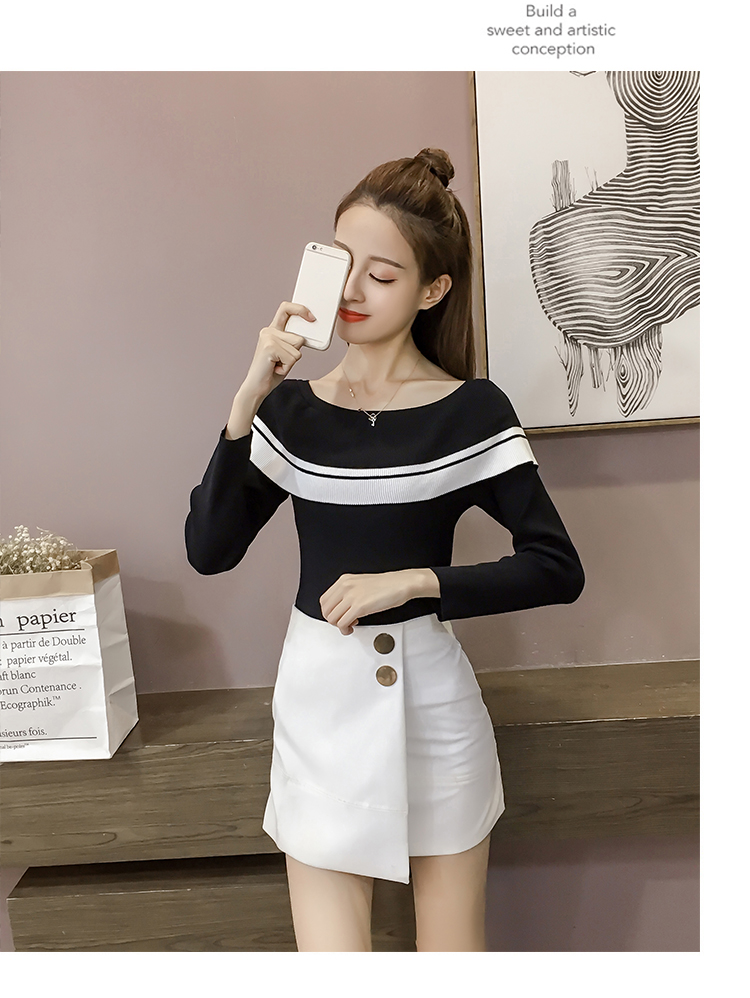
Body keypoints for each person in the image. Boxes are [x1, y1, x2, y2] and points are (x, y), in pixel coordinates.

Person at [185, 148, 585, 952]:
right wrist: (247, 399)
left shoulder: (471, 412)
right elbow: (209, 549)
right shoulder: (291, 414)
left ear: (433, 290)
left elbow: (557, 568)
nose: (353, 293)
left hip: (436, 713)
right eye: (342, 265)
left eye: (383, 275)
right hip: (321, 715)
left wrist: (415, 582)